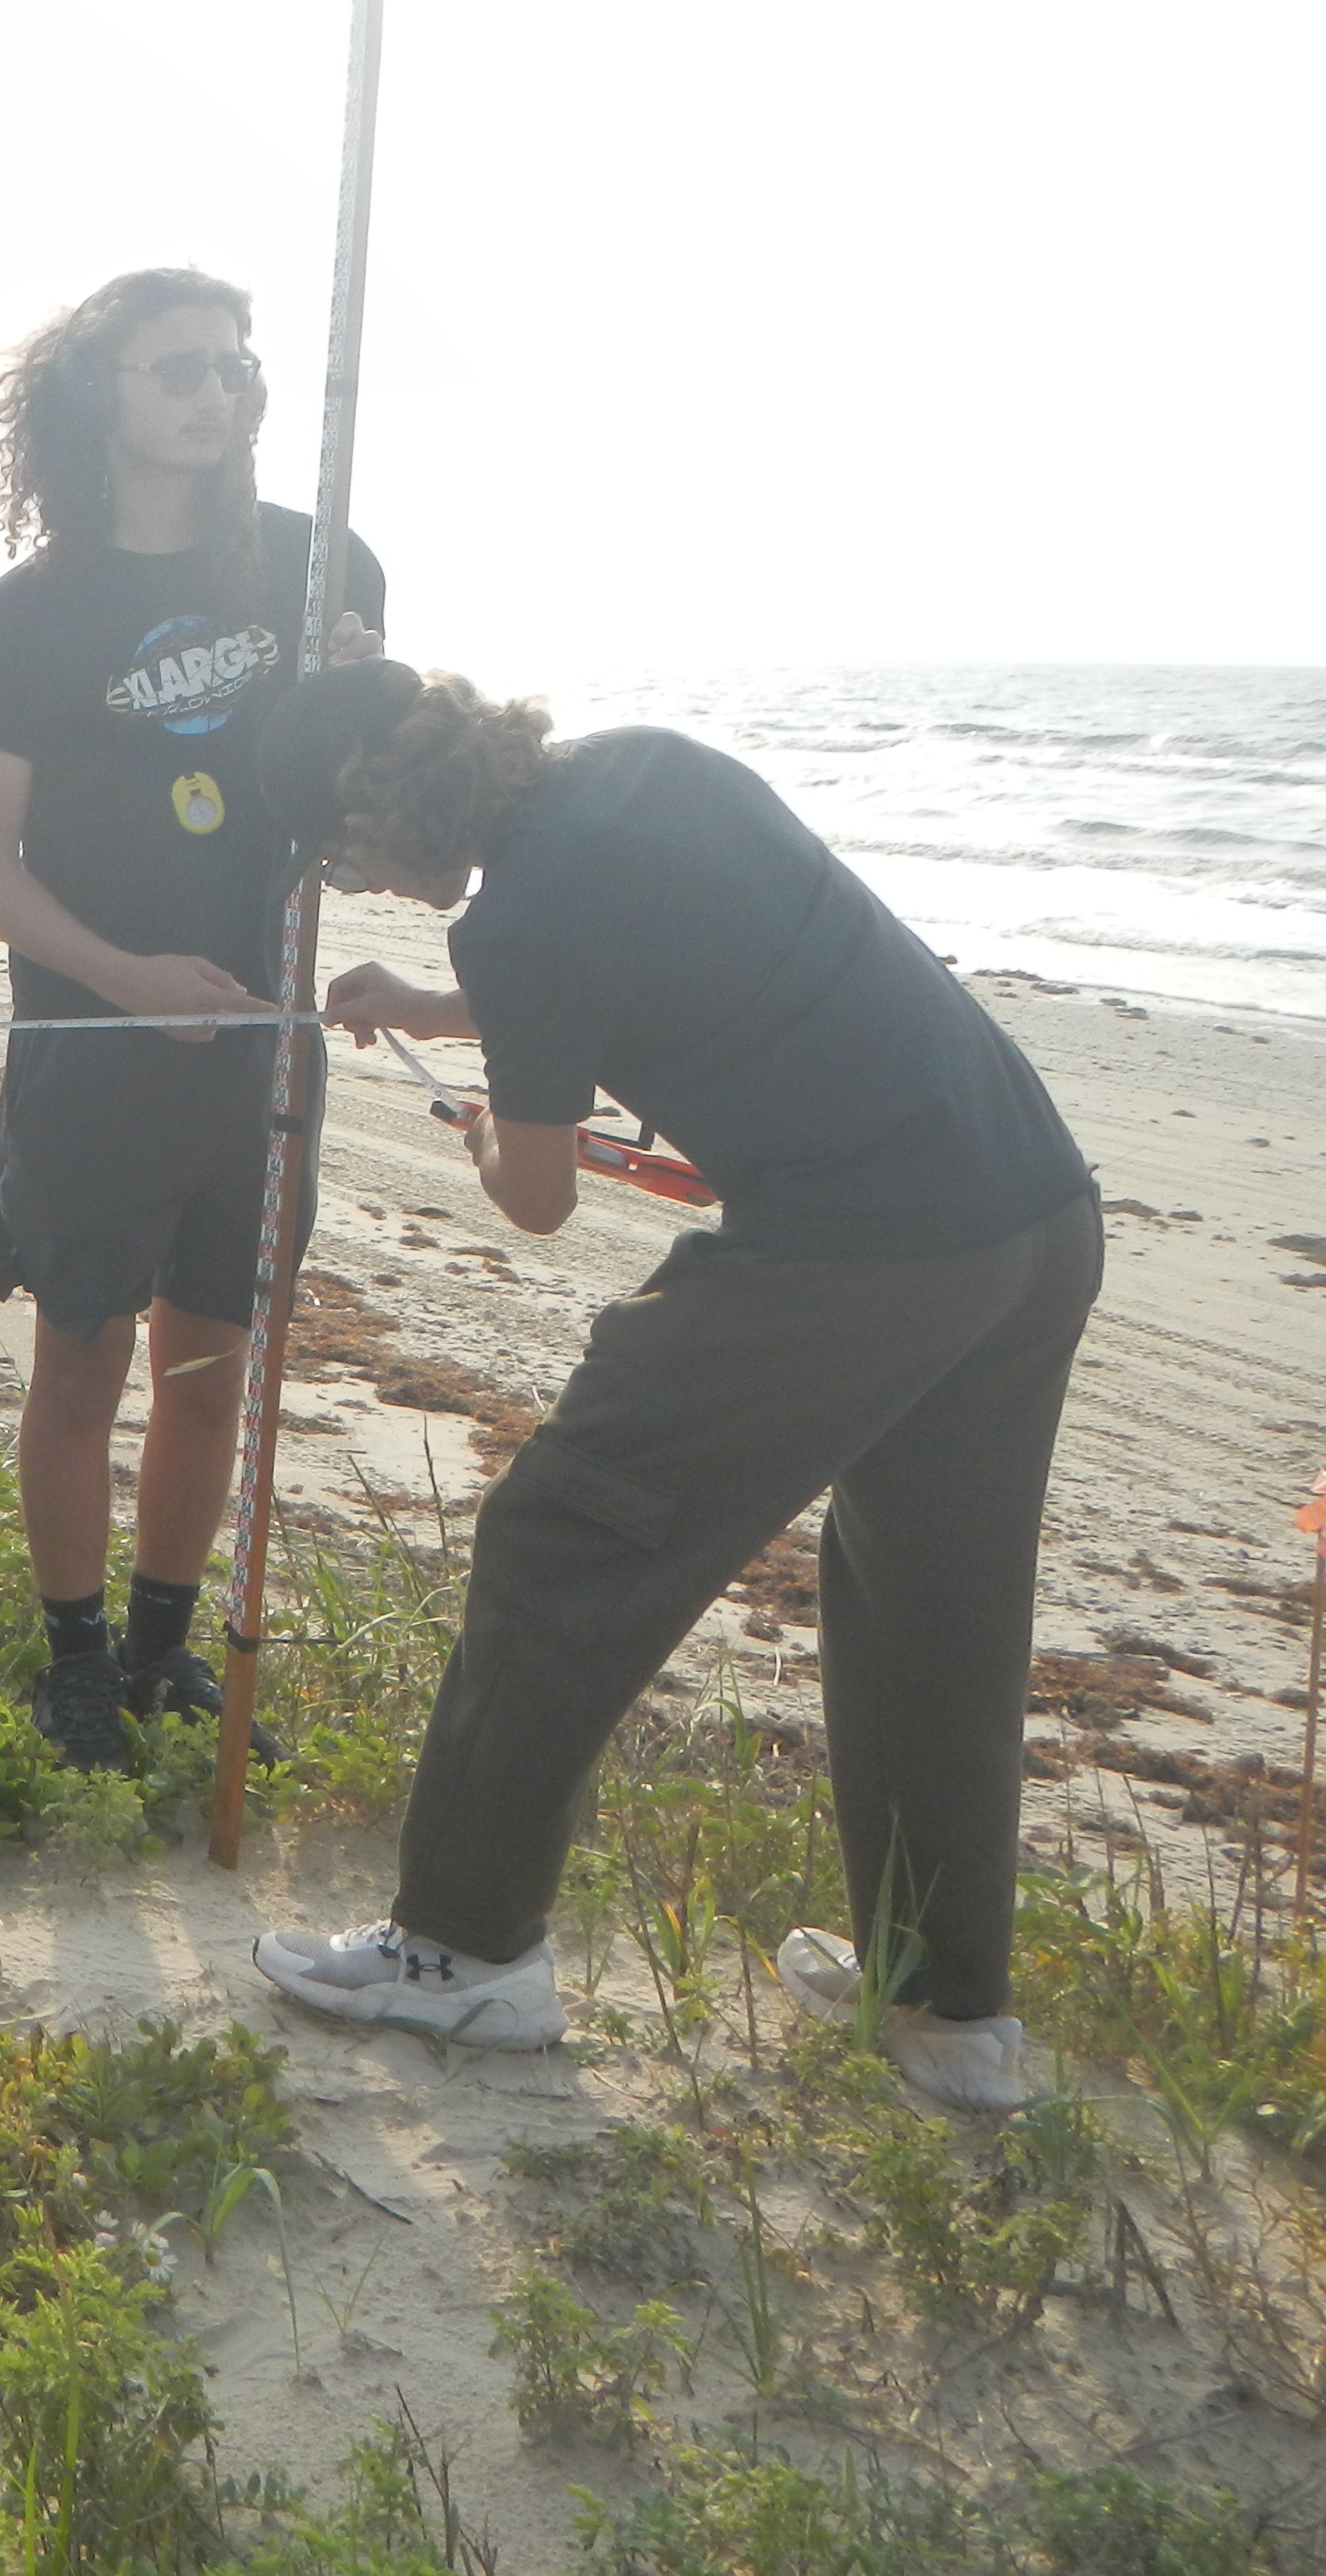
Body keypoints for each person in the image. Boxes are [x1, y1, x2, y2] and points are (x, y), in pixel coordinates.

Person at [247, 662, 1100, 2109]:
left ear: (377, 812)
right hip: (1032, 1214)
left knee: (565, 1532)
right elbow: (624, 951)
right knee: (931, 1599)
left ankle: (463, 1953)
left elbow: (535, 1198)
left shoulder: (518, 923)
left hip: (862, 1250)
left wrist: (469, 1112)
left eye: (337, 856)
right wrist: (449, 1008)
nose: (360, 883)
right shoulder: (646, 768)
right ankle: (949, 2017)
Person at [0, 268, 386, 1772]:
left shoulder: (319, 570)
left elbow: (367, 811)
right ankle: (70, 1657)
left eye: (235, 367)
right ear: (100, 396)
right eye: (177, 365)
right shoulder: (26, 619)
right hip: (89, 1046)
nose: (215, 389)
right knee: (82, 1363)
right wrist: (125, 978)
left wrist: (364, 714)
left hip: (259, 1051)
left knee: (212, 1371)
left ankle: (165, 1645)